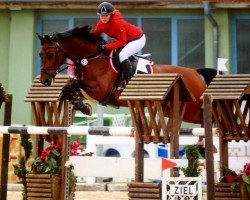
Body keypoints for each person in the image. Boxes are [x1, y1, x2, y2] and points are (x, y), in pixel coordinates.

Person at [94, 1, 146, 87]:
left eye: (106, 15)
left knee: (122, 55)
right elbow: (95, 36)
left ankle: (129, 82)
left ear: (111, 14)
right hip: (127, 40)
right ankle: (118, 78)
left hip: (138, 39)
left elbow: (122, 42)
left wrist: (105, 47)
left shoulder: (117, 23)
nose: (103, 18)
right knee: (114, 55)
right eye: (101, 15)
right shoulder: (101, 23)